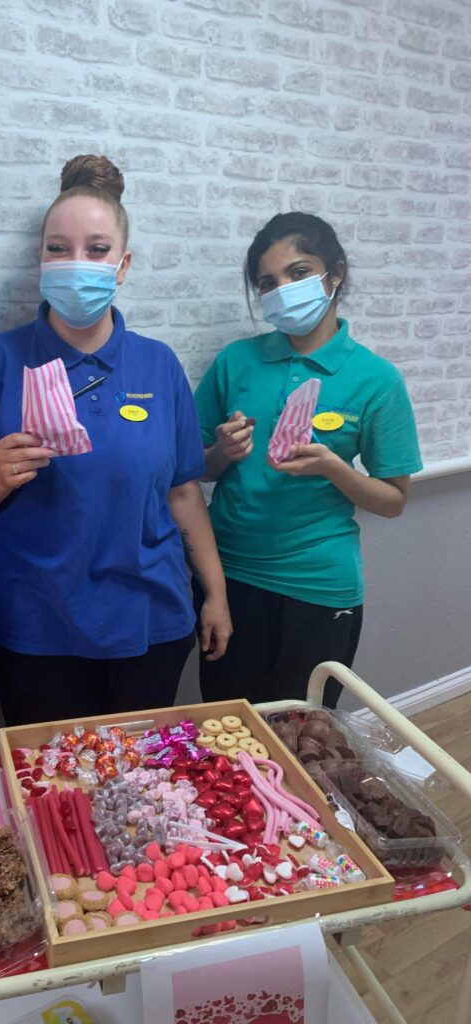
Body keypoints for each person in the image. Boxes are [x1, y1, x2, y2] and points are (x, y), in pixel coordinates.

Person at [0, 155, 231, 726]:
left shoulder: (158, 364)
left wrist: (214, 592)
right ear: (40, 259)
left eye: (96, 250)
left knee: (140, 774)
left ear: (122, 265)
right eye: (58, 248)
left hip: (150, 619)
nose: (76, 264)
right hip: (32, 625)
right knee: (49, 776)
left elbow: (183, 491)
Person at [194, 212, 422, 708]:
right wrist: (222, 453)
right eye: (268, 283)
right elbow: (194, 469)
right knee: (228, 726)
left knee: (304, 733)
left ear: (335, 273)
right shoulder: (235, 361)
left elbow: (393, 501)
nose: (283, 291)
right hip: (229, 576)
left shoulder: (377, 379)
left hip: (318, 583)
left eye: (298, 273)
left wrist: (333, 468)